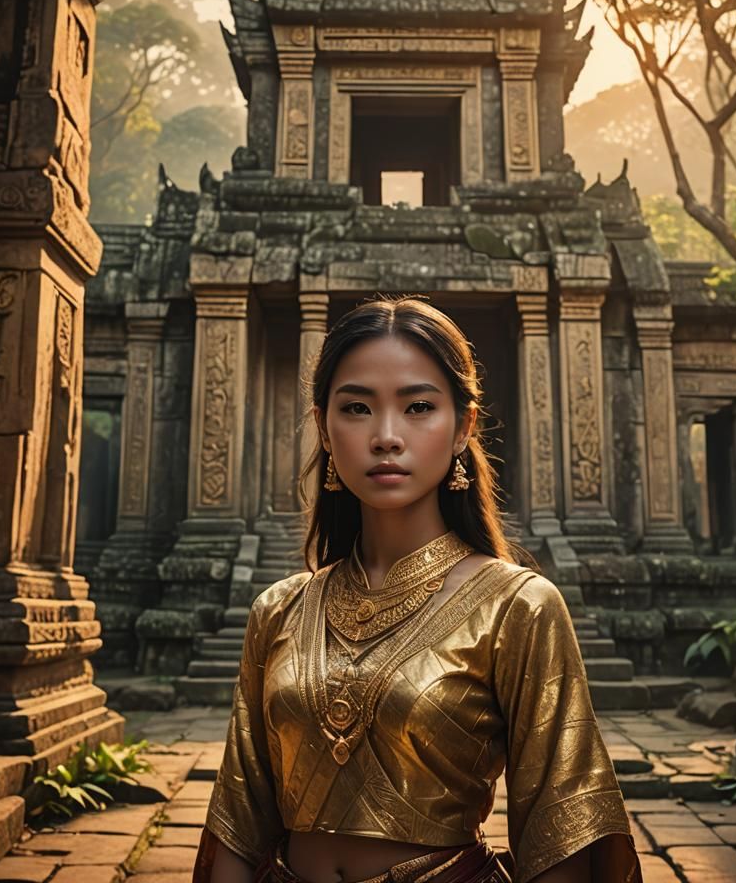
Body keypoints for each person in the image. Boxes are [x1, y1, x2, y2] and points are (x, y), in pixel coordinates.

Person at [194, 297, 641, 883]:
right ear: (324, 427)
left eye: (419, 407)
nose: (385, 436)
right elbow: (238, 819)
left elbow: (563, 827)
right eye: (356, 407)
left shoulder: (517, 607)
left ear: (463, 428)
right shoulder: (278, 610)